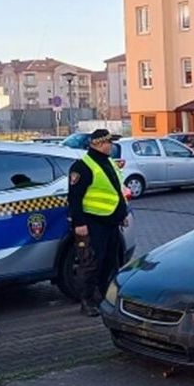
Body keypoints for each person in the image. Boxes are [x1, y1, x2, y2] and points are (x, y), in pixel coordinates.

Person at [67, 129, 129, 317]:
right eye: (107, 143)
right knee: (91, 263)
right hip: (93, 223)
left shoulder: (108, 162)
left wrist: (122, 214)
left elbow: (116, 191)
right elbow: (74, 198)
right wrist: (79, 223)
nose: (110, 146)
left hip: (111, 222)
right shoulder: (83, 167)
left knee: (110, 262)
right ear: (97, 144)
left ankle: (103, 295)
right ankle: (86, 301)